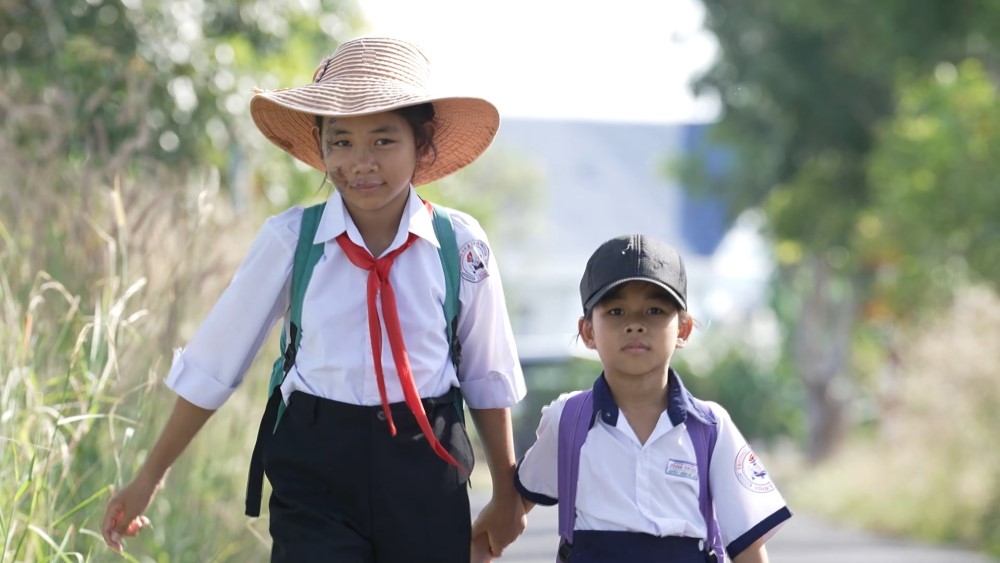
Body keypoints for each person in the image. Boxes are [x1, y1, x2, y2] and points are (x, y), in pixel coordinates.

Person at [102, 37, 527, 562]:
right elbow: (214, 363)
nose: (360, 162)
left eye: (384, 140)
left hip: (426, 469)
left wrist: (507, 494)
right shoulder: (290, 242)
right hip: (316, 470)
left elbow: (487, 374)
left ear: (422, 144)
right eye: (341, 141)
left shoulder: (460, 244)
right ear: (320, 145)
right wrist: (150, 477)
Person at [501, 235, 791, 562]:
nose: (635, 324)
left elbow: (749, 548)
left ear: (683, 329)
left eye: (654, 310)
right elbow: (508, 511)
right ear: (588, 332)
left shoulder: (709, 428)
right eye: (616, 311)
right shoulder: (567, 420)